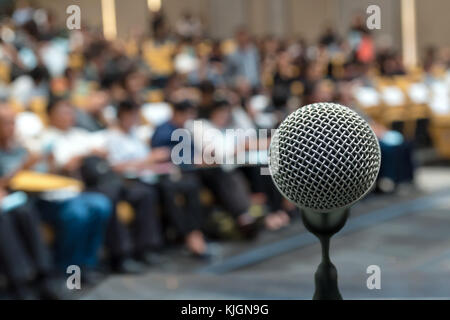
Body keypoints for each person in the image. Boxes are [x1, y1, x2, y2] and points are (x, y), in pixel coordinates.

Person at [0, 105, 60, 299]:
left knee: (25, 211)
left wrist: (44, 160)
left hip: (18, 198)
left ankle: (43, 276)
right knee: (4, 220)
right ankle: (20, 282)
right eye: (6, 123)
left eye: (13, 122)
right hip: (5, 201)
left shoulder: (18, 146)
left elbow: (41, 173)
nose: (11, 127)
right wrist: (21, 168)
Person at [151, 100, 210, 257]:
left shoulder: (185, 130)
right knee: (181, 188)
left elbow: (192, 154)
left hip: (189, 173)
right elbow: (159, 155)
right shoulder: (163, 131)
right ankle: (189, 234)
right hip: (167, 175)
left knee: (207, 179)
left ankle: (197, 231)